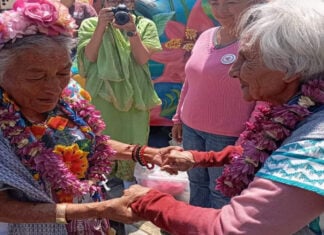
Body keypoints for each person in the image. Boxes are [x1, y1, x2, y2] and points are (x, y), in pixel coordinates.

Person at [109, 0, 324, 234]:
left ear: (291, 69)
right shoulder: (297, 109)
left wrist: (149, 200)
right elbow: (256, 151)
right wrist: (200, 157)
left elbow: (232, 228)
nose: (233, 70)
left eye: (248, 60)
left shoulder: (314, 144)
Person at [0, 0, 177, 234]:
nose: (53, 87)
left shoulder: (69, 96)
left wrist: (146, 153)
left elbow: (88, 141)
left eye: (63, 73)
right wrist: (98, 209)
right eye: (36, 77)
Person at [171, 0, 265, 209]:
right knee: (196, 184)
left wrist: (249, 136)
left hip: (228, 135)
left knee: (221, 191)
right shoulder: (206, 35)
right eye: (215, 3)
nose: (221, 10)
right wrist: (178, 117)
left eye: (231, 3)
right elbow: (190, 80)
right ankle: (196, 227)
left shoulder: (259, 42)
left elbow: (264, 97)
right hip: (192, 128)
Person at [77, 0, 162, 190]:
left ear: (131, 3)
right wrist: (100, 26)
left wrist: (132, 31)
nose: (118, 4)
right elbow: (90, 56)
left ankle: (129, 195)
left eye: (123, 1)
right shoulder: (90, 24)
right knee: (100, 142)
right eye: (113, 1)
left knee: (133, 142)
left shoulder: (145, 25)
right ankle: (98, 194)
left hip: (135, 96)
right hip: (102, 95)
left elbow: (142, 58)